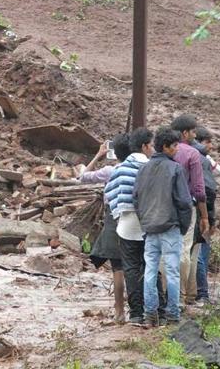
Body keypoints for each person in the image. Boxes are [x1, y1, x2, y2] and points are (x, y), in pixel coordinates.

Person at [134, 127, 193, 326]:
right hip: (170, 227)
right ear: (166, 147)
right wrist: (183, 227)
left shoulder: (143, 168)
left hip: (150, 229)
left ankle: (150, 315)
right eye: (175, 146)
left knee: (151, 270)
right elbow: (184, 202)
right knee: (172, 271)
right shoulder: (175, 169)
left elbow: (136, 199)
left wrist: (145, 222)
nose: (178, 149)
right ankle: (173, 315)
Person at [104, 127, 154, 324]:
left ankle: (135, 313)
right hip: (151, 222)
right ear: (144, 146)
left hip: (126, 224)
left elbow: (110, 194)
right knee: (150, 266)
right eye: (151, 144)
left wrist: (118, 214)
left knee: (130, 268)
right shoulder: (153, 166)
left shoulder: (120, 169)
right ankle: (155, 310)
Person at [84, 134, 131, 323]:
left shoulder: (110, 170)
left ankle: (119, 312)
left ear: (115, 153)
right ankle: (139, 309)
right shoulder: (139, 168)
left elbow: (82, 176)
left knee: (117, 268)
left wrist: (98, 155)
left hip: (113, 219)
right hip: (135, 217)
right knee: (136, 266)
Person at [193, 126, 220, 304]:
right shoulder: (205, 159)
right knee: (201, 250)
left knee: (195, 251)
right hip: (203, 208)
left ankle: (195, 291)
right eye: (208, 142)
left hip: (193, 207)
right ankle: (202, 293)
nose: (209, 146)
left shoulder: (188, 155)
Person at [170, 114, 209, 304]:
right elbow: (199, 190)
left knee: (165, 249)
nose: (195, 135)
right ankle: (181, 294)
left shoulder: (163, 151)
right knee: (185, 249)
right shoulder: (193, 154)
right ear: (185, 133)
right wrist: (205, 216)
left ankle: (168, 293)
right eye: (193, 131)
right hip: (186, 208)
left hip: (164, 207)